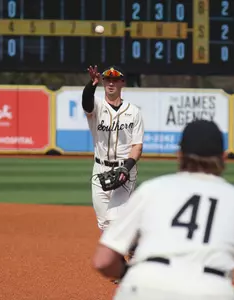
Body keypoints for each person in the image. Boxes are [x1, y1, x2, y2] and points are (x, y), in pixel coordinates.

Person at [91, 119, 234, 300]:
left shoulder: (151, 190)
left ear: (179, 155)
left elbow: (104, 260)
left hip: (144, 286)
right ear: (224, 158)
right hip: (211, 290)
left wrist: (130, 274)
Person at [82, 65, 144, 266]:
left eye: (115, 79)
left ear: (122, 82)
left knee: (116, 218)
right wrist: (90, 85)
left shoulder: (133, 112)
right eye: (107, 79)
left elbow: (137, 146)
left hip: (125, 169)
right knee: (103, 222)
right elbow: (86, 103)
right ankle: (133, 245)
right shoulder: (97, 107)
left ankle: (122, 262)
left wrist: (126, 168)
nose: (110, 82)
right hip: (100, 168)